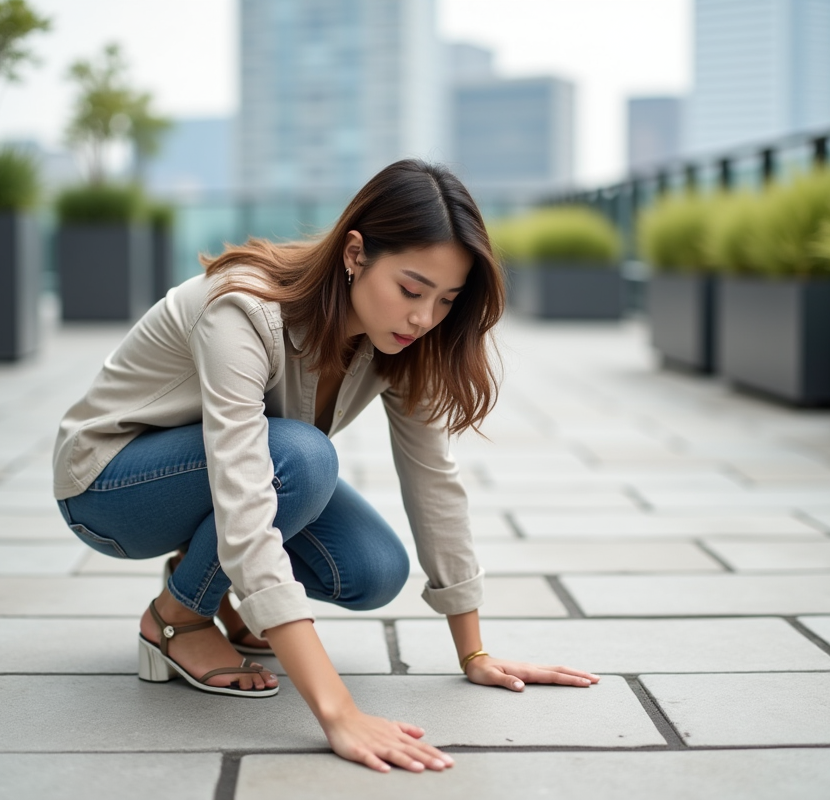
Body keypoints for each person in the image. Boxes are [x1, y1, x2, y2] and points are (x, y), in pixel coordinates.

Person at [52, 159, 599, 774]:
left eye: (447, 300)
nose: (424, 317)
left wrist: (473, 652)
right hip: (108, 486)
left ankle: (202, 576)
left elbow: (433, 477)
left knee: (373, 570)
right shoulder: (244, 308)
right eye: (412, 289)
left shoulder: (400, 340)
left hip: (223, 474)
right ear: (355, 253)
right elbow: (245, 483)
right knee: (301, 459)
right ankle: (175, 620)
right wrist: (339, 711)